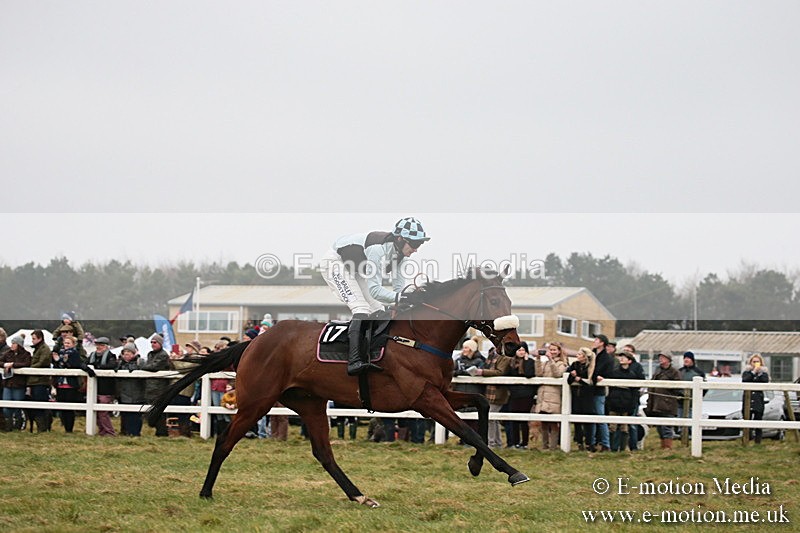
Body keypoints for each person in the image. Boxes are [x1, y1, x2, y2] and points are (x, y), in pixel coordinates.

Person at [320, 217, 430, 375]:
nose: (416, 249)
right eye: (415, 244)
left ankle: (371, 355)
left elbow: (399, 290)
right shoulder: (377, 249)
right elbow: (375, 291)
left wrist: (411, 299)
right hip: (335, 263)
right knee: (361, 308)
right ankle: (354, 360)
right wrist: (402, 298)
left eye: (420, 244)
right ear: (399, 239)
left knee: (377, 310)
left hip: (354, 269)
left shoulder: (401, 256)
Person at [52, 335, 95, 432]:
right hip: (60, 382)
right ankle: (65, 426)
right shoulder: (60, 352)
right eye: (65, 343)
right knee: (62, 406)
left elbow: (76, 364)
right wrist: (56, 360)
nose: (66, 344)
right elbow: (56, 366)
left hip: (70, 384)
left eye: (68, 343)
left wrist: (61, 360)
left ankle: (69, 428)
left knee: (69, 408)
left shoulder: (74, 353)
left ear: (73, 344)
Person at [475, 346, 512, 448]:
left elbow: (500, 372)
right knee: (493, 418)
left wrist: (482, 372)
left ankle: (492, 443)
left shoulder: (506, 357)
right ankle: (497, 442)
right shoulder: (491, 354)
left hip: (499, 392)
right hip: (489, 391)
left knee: (491, 417)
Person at [534, 341, 568, 451]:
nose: (552, 352)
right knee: (543, 423)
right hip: (543, 395)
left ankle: (553, 447)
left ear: (559, 351)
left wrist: (551, 360)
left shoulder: (562, 363)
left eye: (554, 350)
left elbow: (557, 374)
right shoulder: (545, 363)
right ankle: (545, 446)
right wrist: (538, 359)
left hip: (554, 396)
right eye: (551, 349)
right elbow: (539, 374)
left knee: (553, 423)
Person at [505, 341, 536, 449]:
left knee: (524, 420)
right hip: (514, 395)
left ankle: (525, 443)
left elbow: (529, 374)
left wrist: (526, 361)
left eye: (523, 350)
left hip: (526, 395)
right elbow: (507, 377)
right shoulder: (511, 363)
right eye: (519, 350)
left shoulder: (531, 362)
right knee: (514, 420)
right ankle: (515, 442)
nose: (521, 352)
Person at [647, 353, 681, 449]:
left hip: (668, 403)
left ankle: (667, 447)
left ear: (668, 360)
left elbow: (678, 387)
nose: (660, 359)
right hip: (657, 402)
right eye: (660, 357)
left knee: (666, 426)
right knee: (660, 427)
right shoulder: (657, 370)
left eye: (663, 358)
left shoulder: (674, 372)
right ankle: (663, 446)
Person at [606, 352, 639, 452]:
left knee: (624, 428)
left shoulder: (632, 375)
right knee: (612, 427)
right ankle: (613, 448)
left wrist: (632, 405)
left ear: (629, 361)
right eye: (621, 357)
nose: (621, 359)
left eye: (624, 358)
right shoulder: (614, 373)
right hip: (614, 403)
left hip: (626, 404)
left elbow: (634, 392)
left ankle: (622, 448)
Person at [140, 334, 172, 437]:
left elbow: (153, 367)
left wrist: (142, 366)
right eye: (152, 342)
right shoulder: (150, 354)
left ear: (160, 343)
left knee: (160, 411)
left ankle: (162, 432)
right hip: (149, 387)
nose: (153, 344)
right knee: (152, 411)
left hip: (160, 388)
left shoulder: (163, 355)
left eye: (155, 342)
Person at [87, 337, 118, 436]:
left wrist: (96, 367)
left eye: (101, 345)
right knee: (96, 413)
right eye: (97, 345)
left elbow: (112, 365)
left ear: (106, 346)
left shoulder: (111, 356)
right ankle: (102, 431)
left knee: (103, 412)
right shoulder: (92, 355)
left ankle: (109, 432)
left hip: (106, 388)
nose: (99, 347)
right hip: (95, 388)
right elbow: (86, 364)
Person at [567, 347, 595, 451]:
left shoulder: (591, 367)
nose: (577, 356)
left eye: (579, 354)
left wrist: (580, 379)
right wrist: (573, 376)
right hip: (576, 397)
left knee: (588, 422)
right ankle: (579, 442)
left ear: (584, 356)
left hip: (587, 397)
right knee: (577, 421)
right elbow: (568, 380)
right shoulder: (575, 365)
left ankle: (589, 442)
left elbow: (592, 383)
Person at [2, 336, 32, 431]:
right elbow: (1, 361)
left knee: (17, 406)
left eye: (14, 343)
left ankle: (19, 425)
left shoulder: (26, 354)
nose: (12, 345)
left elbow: (27, 364)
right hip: (8, 383)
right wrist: (5, 365)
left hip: (19, 384)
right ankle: (8, 425)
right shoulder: (8, 354)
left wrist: (13, 365)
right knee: (6, 406)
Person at [590, 334, 614, 452]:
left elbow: (604, 373)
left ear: (602, 343)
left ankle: (605, 443)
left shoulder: (606, 358)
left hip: (598, 391)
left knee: (600, 416)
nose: (594, 341)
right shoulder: (592, 354)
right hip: (589, 390)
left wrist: (596, 376)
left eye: (597, 340)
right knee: (592, 417)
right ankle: (592, 442)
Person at [116, 343, 145, 436]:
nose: (126, 354)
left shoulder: (140, 362)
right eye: (125, 352)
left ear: (133, 353)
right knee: (126, 415)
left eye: (129, 352)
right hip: (124, 393)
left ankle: (136, 433)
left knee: (136, 416)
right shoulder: (120, 363)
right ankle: (127, 432)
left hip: (136, 393)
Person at [621, 344, 645, 451]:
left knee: (632, 424)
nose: (626, 352)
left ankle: (633, 446)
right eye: (624, 350)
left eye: (628, 351)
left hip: (633, 398)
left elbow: (641, 381)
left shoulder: (637, 367)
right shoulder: (619, 366)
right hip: (621, 398)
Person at [28, 330, 53, 432]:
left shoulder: (44, 349)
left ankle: (44, 427)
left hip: (41, 380)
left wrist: (30, 368)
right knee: (36, 404)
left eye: (34, 338)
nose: (32, 341)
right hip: (35, 380)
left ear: (40, 338)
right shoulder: (38, 349)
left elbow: (42, 362)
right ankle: (41, 427)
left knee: (41, 404)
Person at [742, 353, 769, 444]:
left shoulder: (764, 373)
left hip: (758, 399)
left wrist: (759, 372)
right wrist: (753, 372)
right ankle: (746, 439)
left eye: (757, 361)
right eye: (754, 361)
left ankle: (758, 441)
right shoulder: (746, 372)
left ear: (761, 362)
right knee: (746, 419)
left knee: (758, 419)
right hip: (748, 399)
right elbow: (745, 380)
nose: (755, 363)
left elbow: (765, 381)